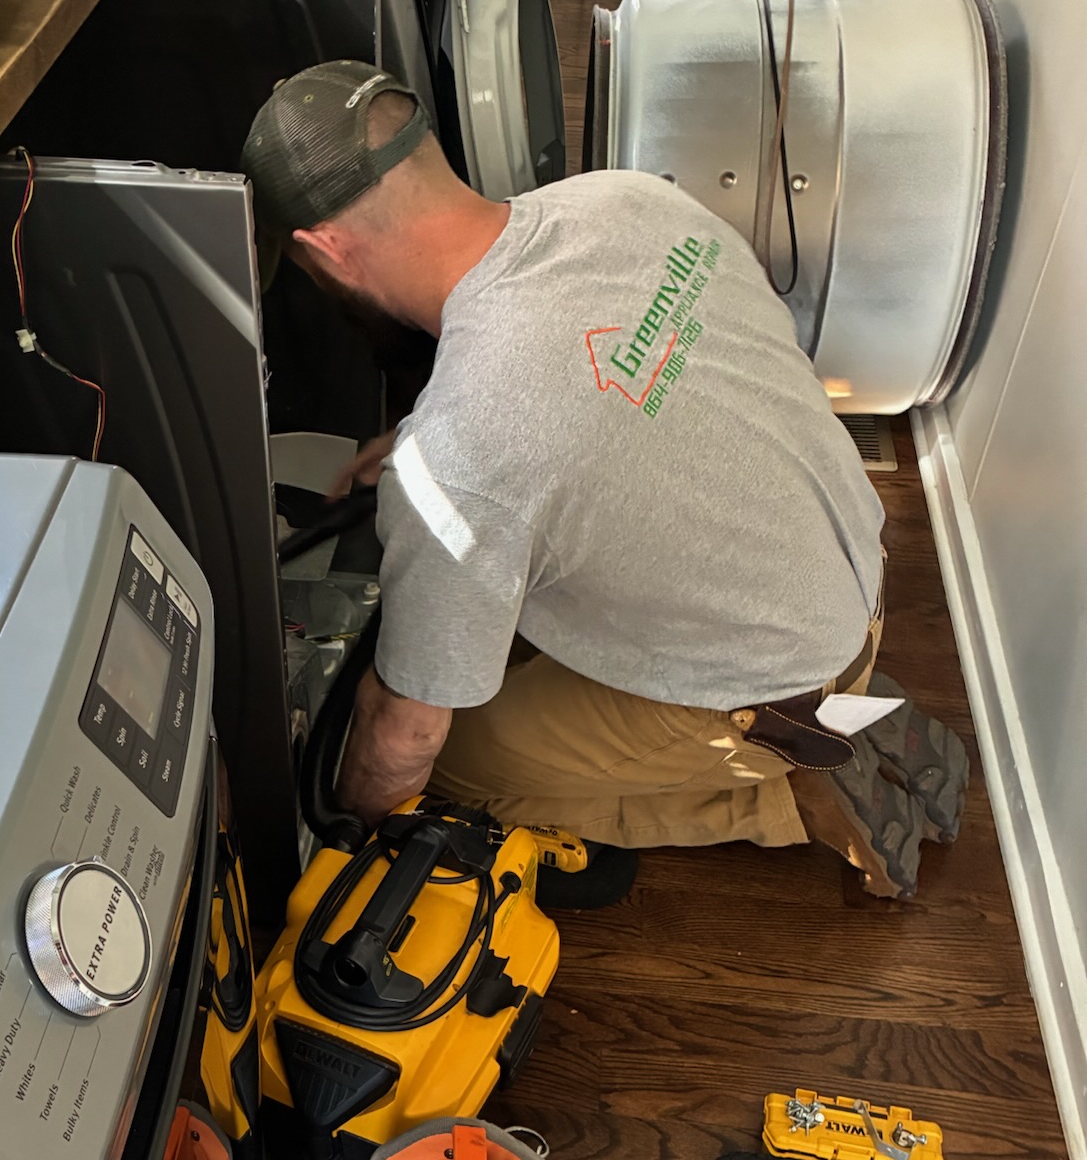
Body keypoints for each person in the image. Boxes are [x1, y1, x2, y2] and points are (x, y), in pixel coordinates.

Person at [242, 61, 969, 901]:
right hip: (850, 568)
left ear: (325, 251)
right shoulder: (624, 197)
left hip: (776, 676)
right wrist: (424, 450)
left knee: (450, 765)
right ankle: (827, 703)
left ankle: (793, 784)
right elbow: (589, 399)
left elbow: (406, 738)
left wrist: (347, 832)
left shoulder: (463, 459)